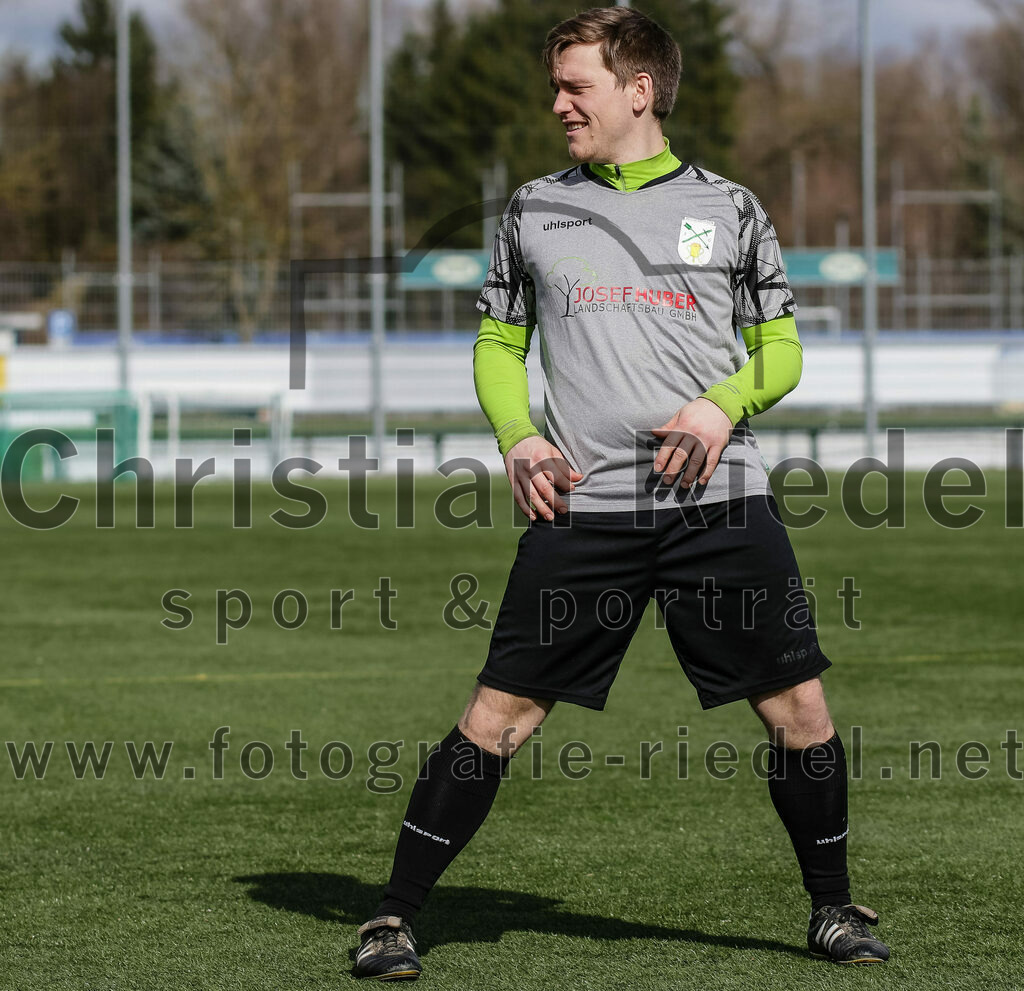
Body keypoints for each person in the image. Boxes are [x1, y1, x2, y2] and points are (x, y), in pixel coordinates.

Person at [353, 6, 889, 980]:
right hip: (584, 509)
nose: (558, 104)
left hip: (719, 503)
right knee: (498, 716)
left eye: (575, 87)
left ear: (637, 90)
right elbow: (498, 344)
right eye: (555, 87)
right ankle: (390, 917)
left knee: (799, 712)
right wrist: (517, 437)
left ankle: (831, 908)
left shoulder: (731, 209)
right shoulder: (530, 210)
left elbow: (781, 351)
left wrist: (722, 407)